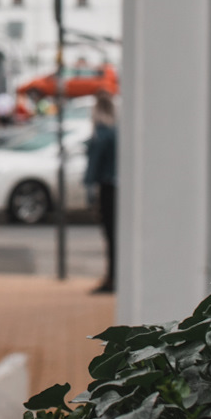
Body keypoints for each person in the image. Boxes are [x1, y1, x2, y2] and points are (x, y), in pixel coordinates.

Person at [85, 93, 118, 295]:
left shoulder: (102, 133)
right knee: (115, 236)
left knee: (110, 235)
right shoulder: (116, 131)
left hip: (107, 187)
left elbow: (94, 166)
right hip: (116, 186)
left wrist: (89, 188)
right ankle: (113, 276)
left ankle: (111, 278)